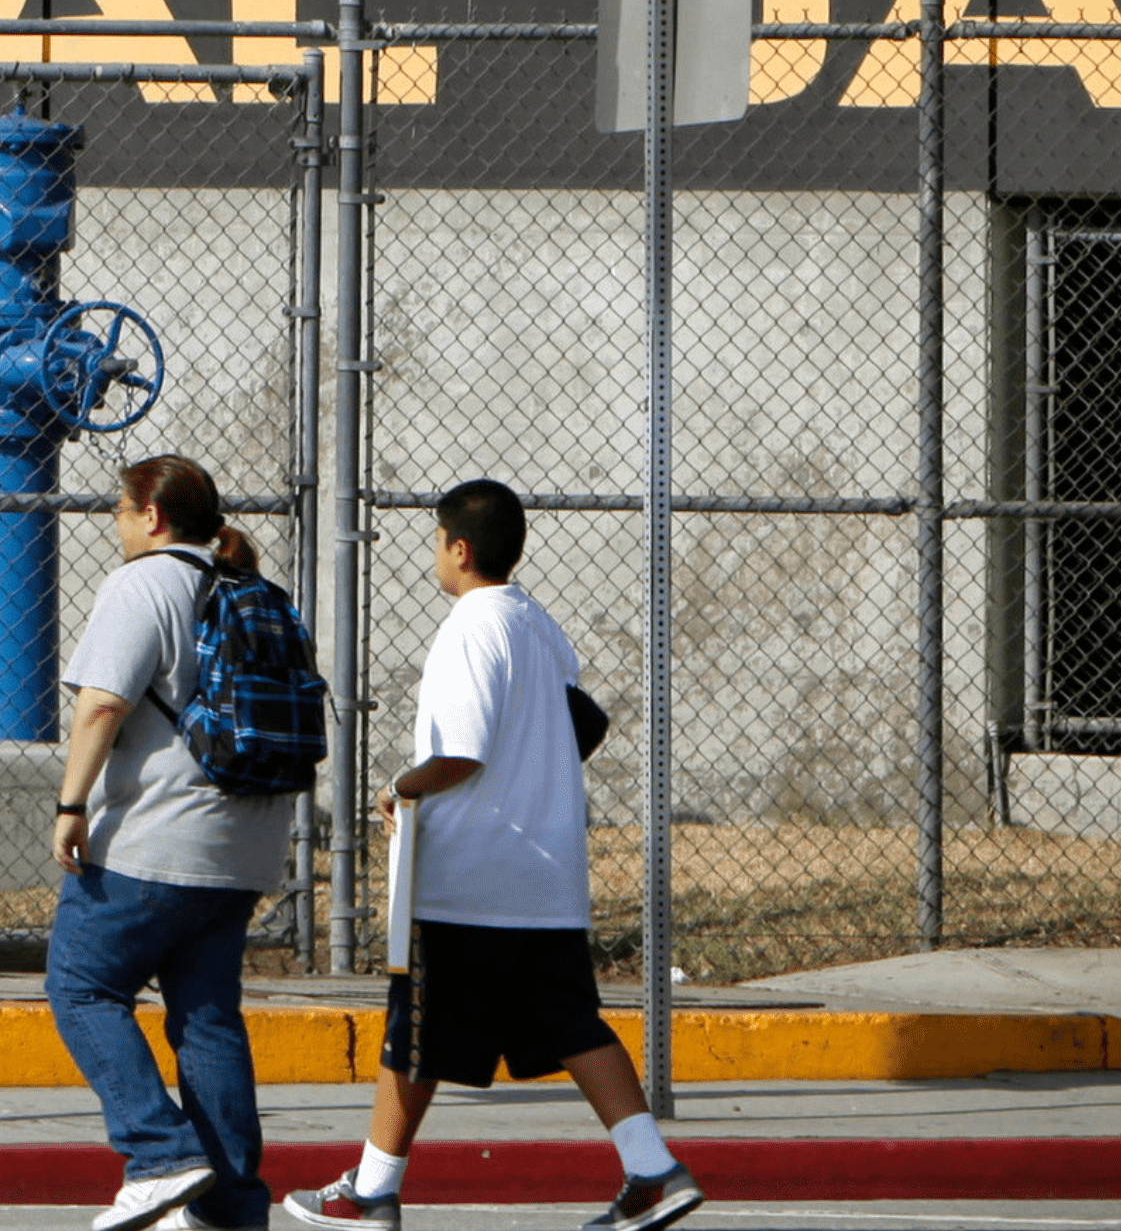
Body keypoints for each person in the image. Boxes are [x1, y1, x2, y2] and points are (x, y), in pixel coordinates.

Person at [283, 479, 704, 1231]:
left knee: (412, 1033)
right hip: (545, 879)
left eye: (437, 541)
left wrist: (396, 790)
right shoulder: (540, 626)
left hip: (469, 881)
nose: (433, 557)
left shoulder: (470, 628)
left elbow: (461, 754)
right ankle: (652, 1169)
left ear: (461, 549)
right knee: (577, 1025)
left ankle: (373, 1190)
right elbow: (578, 728)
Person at [49, 455, 296, 1231]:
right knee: (206, 1018)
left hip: (158, 839)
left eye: (119, 513)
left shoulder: (142, 584)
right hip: (246, 846)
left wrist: (71, 803)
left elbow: (102, 706)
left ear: (152, 517)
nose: (117, 527)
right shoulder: (252, 588)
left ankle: (157, 1154)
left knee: (82, 986)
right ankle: (231, 1208)